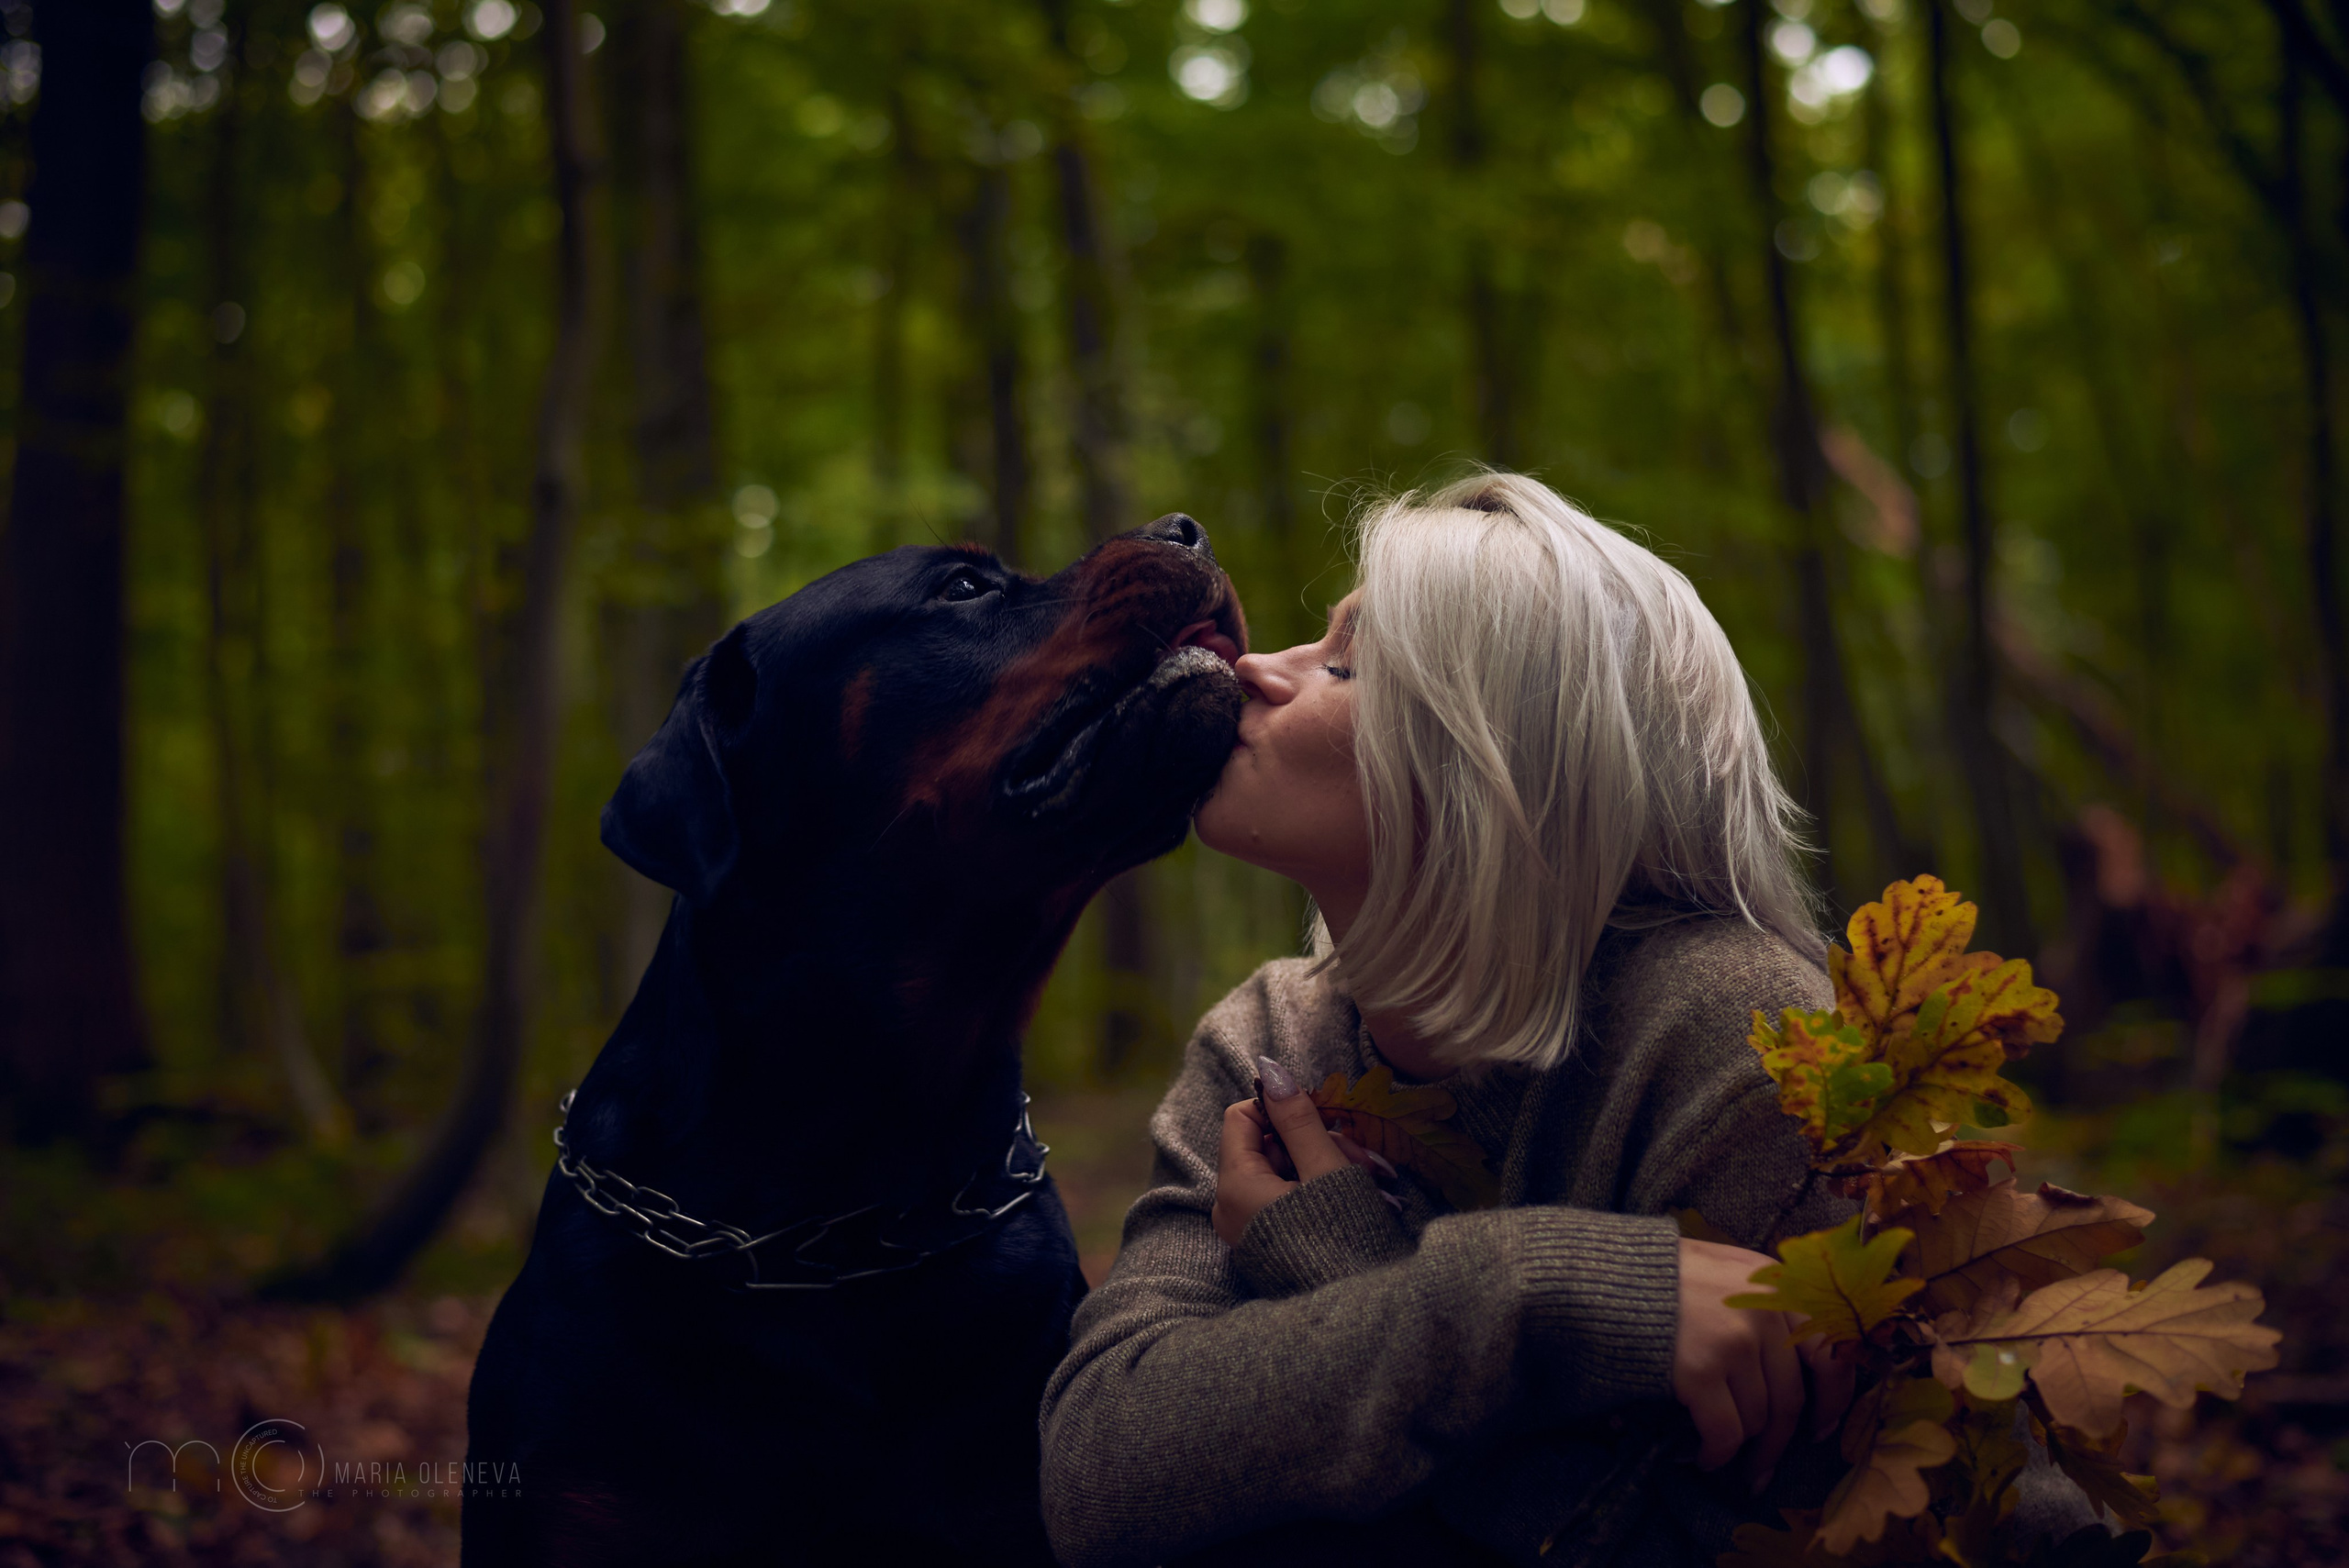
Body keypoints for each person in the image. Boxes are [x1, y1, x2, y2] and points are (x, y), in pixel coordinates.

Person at [1040, 473, 1882, 1566]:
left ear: (1506, 760)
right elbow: (1103, 1469)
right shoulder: (1266, 1041)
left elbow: (1653, 1537)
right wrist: (1524, 1291)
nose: (1250, 667)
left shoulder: (1749, 1042)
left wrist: (1335, 1277)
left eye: (1344, 664)